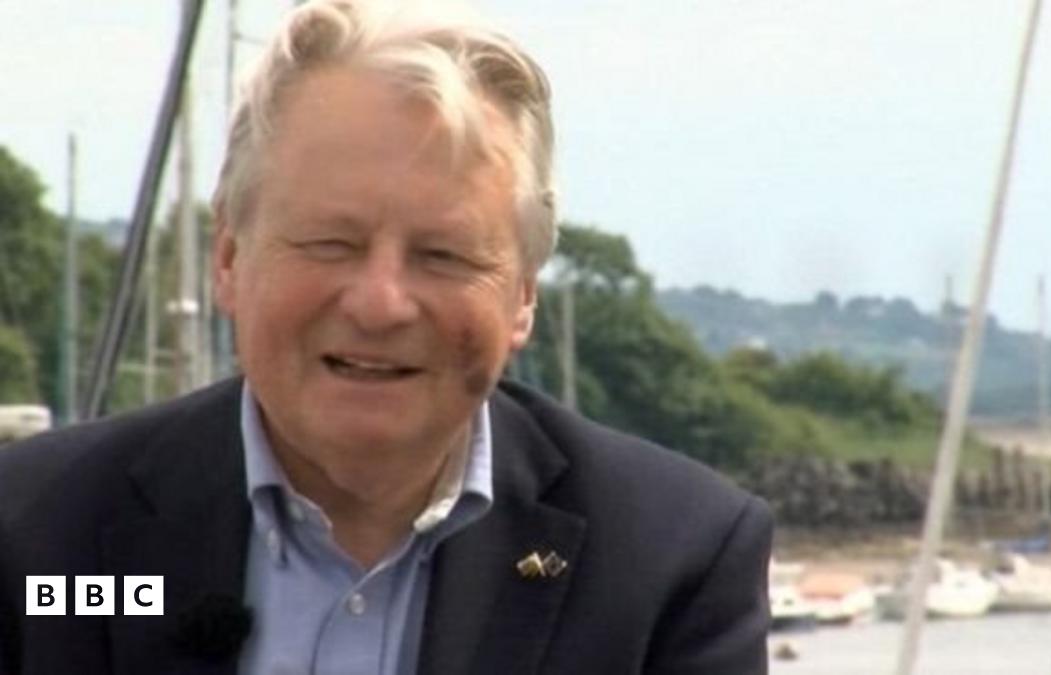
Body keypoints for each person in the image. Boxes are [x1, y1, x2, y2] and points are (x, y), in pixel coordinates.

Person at [0, 1, 772, 673]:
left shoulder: (666, 563)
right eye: (330, 243)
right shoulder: (36, 543)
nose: (381, 304)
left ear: (523, 295)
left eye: (444, 255)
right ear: (229, 259)